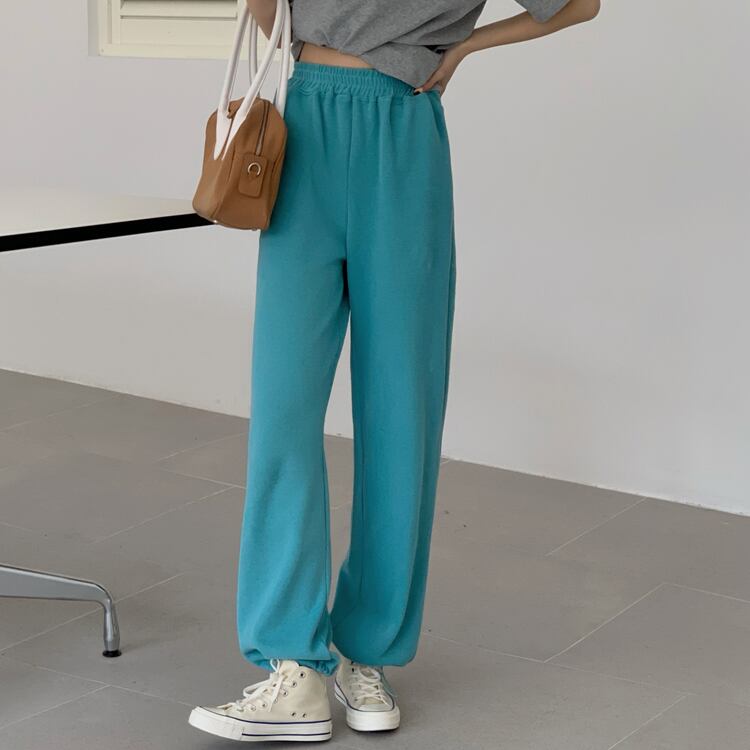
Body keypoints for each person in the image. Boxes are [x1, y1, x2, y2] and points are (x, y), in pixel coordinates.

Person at [189, 0, 600, 742]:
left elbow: (580, 4)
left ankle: (367, 651)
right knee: (283, 410)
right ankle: (293, 664)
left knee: (401, 410)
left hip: (402, 134)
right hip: (306, 125)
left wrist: (463, 47)